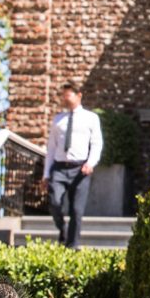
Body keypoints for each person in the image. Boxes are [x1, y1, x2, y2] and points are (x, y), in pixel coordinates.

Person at [42, 84, 104, 248]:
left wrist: (91, 163)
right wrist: (46, 174)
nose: (65, 99)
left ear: (79, 96)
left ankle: (72, 245)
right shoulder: (58, 120)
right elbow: (51, 148)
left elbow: (97, 143)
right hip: (59, 167)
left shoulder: (91, 118)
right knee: (54, 201)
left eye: (68, 95)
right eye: (63, 96)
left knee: (77, 210)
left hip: (80, 169)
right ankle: (63, 229)